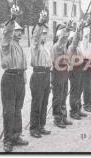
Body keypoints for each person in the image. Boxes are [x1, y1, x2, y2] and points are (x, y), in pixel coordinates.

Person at [0, 5, 28, 152]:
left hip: (19, 80)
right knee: (9, 111)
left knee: (18, 109)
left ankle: (16, 136)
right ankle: (8, 140)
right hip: (9, 79)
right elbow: (6, 33)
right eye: (17, 31)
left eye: (20, 31)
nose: (20, 33)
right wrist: (12, 19)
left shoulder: (20, 46)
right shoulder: (7, 44)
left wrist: (24, 77)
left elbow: (23, 66)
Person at [29, 10, 52, 138]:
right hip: (37, 76)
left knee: (44, 103)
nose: (44, 36)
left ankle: (41, 126)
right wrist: (40, 22)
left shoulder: (46, 49)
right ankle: (33, 128)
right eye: (43, 34)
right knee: (37, 103)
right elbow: (35, 36)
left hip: (46, 76)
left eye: (45, 34)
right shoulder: (35, 46)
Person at [51, 21, 73, 128]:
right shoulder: (57, 46)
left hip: (64, 73)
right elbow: (62, 41)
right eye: (64, 37)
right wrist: (66, 30)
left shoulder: (64, 47)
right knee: (58, 97)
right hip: (57, 73)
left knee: (64, 96)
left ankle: (63, 116)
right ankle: (57, 118)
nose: (66, 39)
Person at [68, 21, 88, 120]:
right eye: (72, 39)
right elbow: (76, 41)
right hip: (74, 71)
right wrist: (78, 30)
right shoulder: (70, 48)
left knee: (79, 90)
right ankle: (73, 111)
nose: (75, 41)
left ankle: (79, 109)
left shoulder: (78, 48)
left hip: (80, 70)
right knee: (74, 92)